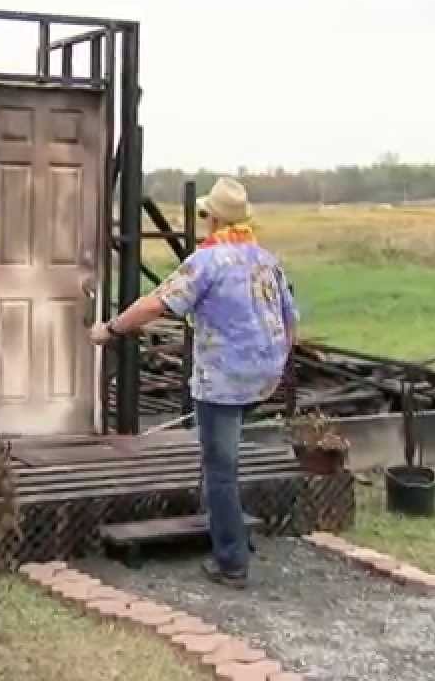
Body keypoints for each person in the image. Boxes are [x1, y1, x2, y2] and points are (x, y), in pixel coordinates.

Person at [89, 176, 299, 588]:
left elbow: (154, 304)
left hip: (224, 378)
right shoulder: (266, 260)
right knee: (223, 455)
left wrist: (110, 330)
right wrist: (276, 362)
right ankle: (225, 527)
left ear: (212, 218)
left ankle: (231, 562)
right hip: (264, 376)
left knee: (221, 469)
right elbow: (291, 320)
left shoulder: (206, 262)